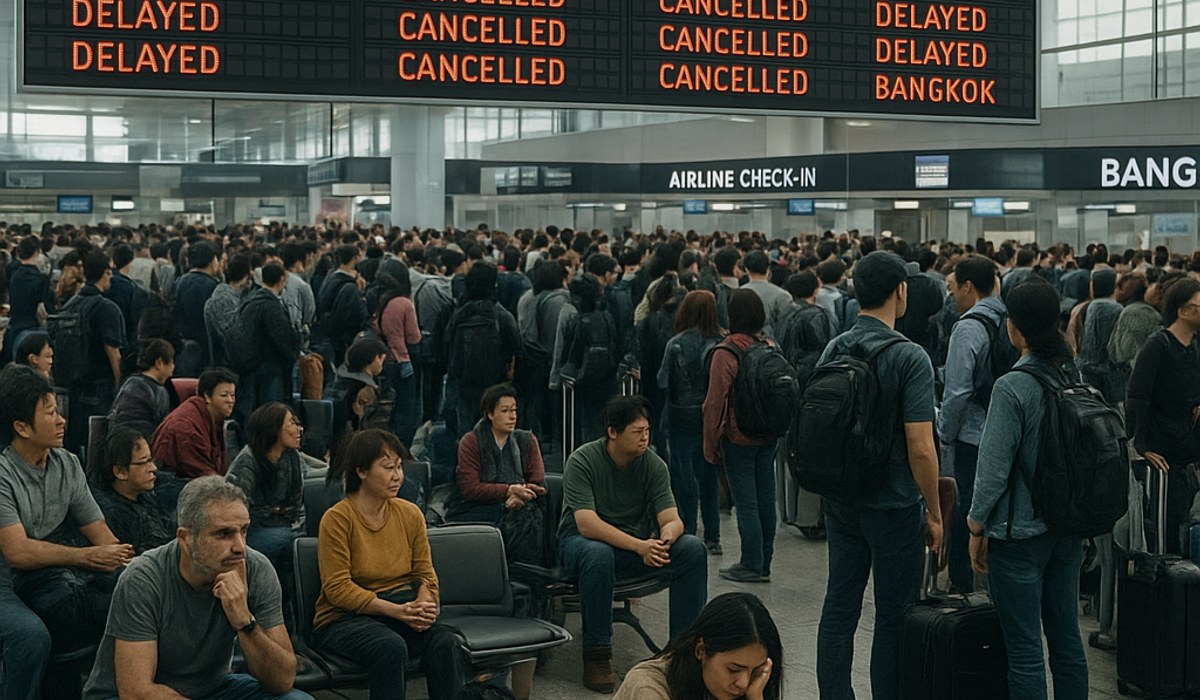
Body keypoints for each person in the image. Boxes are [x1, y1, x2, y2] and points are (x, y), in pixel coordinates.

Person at [815, 251, 943, 700]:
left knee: (839, 605)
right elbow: (921, 448)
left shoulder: (835, 347)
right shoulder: (911, 357)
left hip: (842, 499)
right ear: (900, 291)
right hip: (893, 503)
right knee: (892, 614)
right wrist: (934, 510)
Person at [966, 280, 1089, 700]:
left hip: (1018, 534)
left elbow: (993, 469)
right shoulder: (1075, 373)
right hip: (1067, 524)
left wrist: (976, 525)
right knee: (1067, 641)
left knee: (1024, 650)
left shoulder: (1012, 387)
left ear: (1013, 328)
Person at [82, 476, 310, 700]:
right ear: (185, 538)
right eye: (224, 534)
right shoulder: (144, 579)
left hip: (212, 689)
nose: (240, 547)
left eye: (244, 530)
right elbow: (137, 692)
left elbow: (282, 681)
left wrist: (244, 621)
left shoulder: (256, 568)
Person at [0, 365, 133, 699]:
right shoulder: (3, 475)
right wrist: (89, 557)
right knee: (31, 638)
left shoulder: (67, 463)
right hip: (7, 578)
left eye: (58, 411)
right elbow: (17, 552)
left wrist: (133, 567)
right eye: (50, 414)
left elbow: (100, 532)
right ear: (21, 427)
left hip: (51, 571)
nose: (62, 421)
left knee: (134, 591)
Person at [559, 395, 707, 692]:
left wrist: (667, 536)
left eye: (647, 431)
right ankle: (598, 654)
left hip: (632, 546)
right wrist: (640, 546)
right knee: (599, 554)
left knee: (692, 548)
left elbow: (672, 518)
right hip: (581, 544)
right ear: (613, 432)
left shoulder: (652, 464)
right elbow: (587, 523)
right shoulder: (583, 460)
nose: (644, 438)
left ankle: (682, 650)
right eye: (637, 432)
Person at [312, 429, 466, 700]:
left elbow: (424, 573)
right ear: (361, 471)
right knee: (390, 646)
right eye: (387, 468)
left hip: (400, 606)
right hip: (344, 619)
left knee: (445, 641)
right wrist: (396, 611)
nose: (397, 476)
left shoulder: (410, 514)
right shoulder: (337, 519)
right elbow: (337, 588)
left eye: (399, 467)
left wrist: (424, 602)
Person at [938, 254, 1006, 594]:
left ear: (968, 286)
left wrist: (944, 434)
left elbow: (958, 390)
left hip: (973, 435)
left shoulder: (968, 326)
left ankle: (962, 582)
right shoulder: (1007, 317)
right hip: (1006, 429)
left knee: (967, 509)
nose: (951, 296)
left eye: (954, 289)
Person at [702, 289, 778, 583]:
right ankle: (764, 562)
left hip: (738, 436)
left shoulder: (726, 352)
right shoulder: (770, 346)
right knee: (765, 498)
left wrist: (710, 445)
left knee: (746, 501)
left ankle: (750, 563)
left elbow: (714, 403)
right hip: (767, 435)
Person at [1126, 277, 1200, 555]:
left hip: (1186, 451)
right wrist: (1141, 446)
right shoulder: (1158, 346)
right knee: (1161, 529)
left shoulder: (1195, 344)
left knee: (1182, 521)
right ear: (1182, 310)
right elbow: (1137, 396)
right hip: (1160, 451)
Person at [444, 384, 548, 562]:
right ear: (490, 414)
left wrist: (520, 494)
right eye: (505, 411)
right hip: (477, 507)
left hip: (521, 504)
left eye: (514, 410)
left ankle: (526, 574)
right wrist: (508, 491)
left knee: (527, 516)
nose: (512, 416)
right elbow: (470, 488)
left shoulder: (526, 440)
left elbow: (538, 483)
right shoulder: (471, 441)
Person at [614, 592, 783, 700]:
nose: (744, 684)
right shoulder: (648, 689)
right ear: (701, 650)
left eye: (755, 671)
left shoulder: (750, 689)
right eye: (733, 669)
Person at [658, 290, 723, 553]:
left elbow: (663, 380)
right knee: (709, 473)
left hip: (679, 414)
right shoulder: (719, 341)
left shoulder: (675, 343)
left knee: (684, 474)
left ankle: (688, 528)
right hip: (709, 415)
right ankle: (714, 536)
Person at [225, 402, 305, 601]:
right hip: (251, 530)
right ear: (274, 429)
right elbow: (232, 509)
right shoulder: (248, 462)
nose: (299, 429)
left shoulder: (290, 456)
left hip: (285, 524)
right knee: (290, 541)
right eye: (292, 424)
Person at [445, 262, 523, 435]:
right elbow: (518, 348)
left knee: (466, 437)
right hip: (495, 385)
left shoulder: (459, 314)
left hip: (463, 385)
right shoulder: (501, 315)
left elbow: (446, 347)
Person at [65, 250, 127, 454]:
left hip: (72, 385)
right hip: (101, 387)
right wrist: (121, 387)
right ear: (106, 272)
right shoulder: (106, 308)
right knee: (100, 445)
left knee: (77, 443)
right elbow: (113, 352)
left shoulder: (70, 304)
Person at [152, 368, 238, 513]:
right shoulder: (185, 428)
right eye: (224, 395)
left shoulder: (210, 417)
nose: (230, 401)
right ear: (207, 396)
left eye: (233, 395)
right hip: (173, 491)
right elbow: (202, 474)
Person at [92, 425, 175, 555]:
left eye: (151, 460)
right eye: (144, 462)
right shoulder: (110, 514)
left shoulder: (145, 497)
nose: (153, 468)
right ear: (120, 472)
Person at [236, 262, 302, 423]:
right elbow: (282, 340)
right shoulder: (272, 307)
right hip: (271, 370)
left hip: (251, 368)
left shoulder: (249, 303)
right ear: (282, 279)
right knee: (272, 416)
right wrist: (293, 355)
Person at [374, 263, 423, 446]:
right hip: (405, 361)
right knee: (408, 409)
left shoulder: (383, 300)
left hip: (386, 360)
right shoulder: (404, 303)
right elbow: (413, 336)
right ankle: (403, 448)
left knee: (391, 406)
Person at [106, 338, 175, 441]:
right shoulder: (159, 392)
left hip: (116, 445)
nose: (173, 367)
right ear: (159, 363)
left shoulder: (129, 383)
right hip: (142, 447)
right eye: (171, 361)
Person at [172, 241, 223, 372]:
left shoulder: (180, 281)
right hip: (207, 348)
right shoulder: (212, 286)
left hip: (183, 345)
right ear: (212, 261)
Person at [332, 336, 392, 445]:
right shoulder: (366, 390)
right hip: (358, 445)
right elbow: (370, 424)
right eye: (381, 359)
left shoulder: (342, 379)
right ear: (373, 359)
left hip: (339, 441)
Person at [2, 236, 52, 365]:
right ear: (36, 252)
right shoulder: (40, 279)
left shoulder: (14, 275)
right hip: (32, 330)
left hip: (14, 329)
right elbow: (41, 312)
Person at [205, 252, 255, 367]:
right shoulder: (223, 300)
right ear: (246, 276)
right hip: (228, 367)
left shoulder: (234, 297)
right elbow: (232, 338)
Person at [740, 250, 792, 335]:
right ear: (768, 268)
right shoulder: (782, 295)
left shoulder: (738, 294)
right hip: (773, 344)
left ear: (746, 269)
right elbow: (786, 327)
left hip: (742, 344)